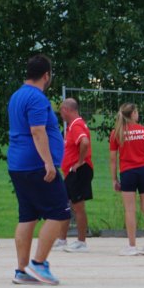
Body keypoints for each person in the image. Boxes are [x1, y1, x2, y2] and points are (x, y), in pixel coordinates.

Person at [7, 54, 70, 285]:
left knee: (28, 215)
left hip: (17, 164)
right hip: (36, 165)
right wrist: (48, 162)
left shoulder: (16, 96)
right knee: (60, 212)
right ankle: (39, 263)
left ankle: (22, 270)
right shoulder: (37, 98)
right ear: (46, 75)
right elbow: (37, 131)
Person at [110, 102, 144, 256]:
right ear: (132, 114)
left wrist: (114, 179)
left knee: (130, 210)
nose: (138, 114)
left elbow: (113, 159)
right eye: (136, 111)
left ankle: (132, 246)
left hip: (128, 172)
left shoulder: (117, 133)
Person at [58, 97, 93, 252]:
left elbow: (84, 142)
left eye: (61, 111)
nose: (61, 115)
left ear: (67, 110)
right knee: (65, 204)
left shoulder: (76, 125)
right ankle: (62, 240)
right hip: (72, 172)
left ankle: (81, 242)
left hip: (79, 171)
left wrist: (79, 162)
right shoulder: (73, 126)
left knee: (78, 206)